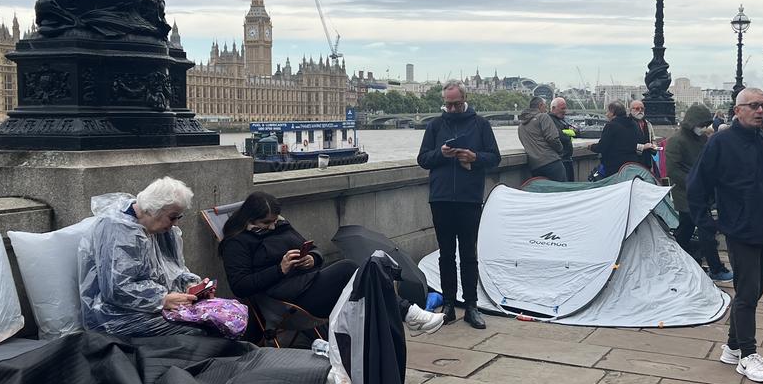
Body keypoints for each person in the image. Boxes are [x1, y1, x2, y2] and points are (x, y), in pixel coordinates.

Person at [688, 88, 763, 383]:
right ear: (737, 110)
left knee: (754, 289)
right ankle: (747, 354)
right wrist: (704, 223)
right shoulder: (721, 142)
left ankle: (732, 347)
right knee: (748, 291)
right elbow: (697, 183)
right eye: (753, 106)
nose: (760, 110)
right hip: (739, 227)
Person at [219, 191, 443, 333]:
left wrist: (311, 258)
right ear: (249, 219)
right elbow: (240, 286)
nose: (271, 227)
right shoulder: (237, 243)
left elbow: (314, 249)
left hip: (308, 283)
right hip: (290, 302)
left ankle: (408, 314)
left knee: (368, 273)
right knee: (350, 269)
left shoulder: (281, 225)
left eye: (274, 221)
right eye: (265, 222)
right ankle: (408, 314)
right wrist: (280, 269)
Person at [79, 177, 234, 339]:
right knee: (198, 330)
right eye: (173, 217)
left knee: (219, 319)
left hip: (149, 308)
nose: (176, 225)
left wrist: (190, 285)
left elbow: (175, 268)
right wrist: (162, 299)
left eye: (178, 218)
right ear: (153, 209)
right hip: (114, 317)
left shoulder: (161, 229)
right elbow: (116, 289)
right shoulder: (118, 231)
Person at [417, 80, 500, 329]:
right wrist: (441, 154)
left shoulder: (481, 124)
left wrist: (474, 158)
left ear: (465, 99)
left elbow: (495, 158)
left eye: (456, 104)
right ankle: (450, 304)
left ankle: (472, 306)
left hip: (468, 197)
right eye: (448, 104)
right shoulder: (435, 125)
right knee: (446, 254)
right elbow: (423, 159)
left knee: (468, 253)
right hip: (441, 198)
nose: (451, 109)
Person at [665, 103, 732, 282]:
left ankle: (676, 260)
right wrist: (696, 184)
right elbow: (673, 171)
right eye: (701, 124)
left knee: (685, 230)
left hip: (700, 192)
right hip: (686, 194)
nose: (703, 128)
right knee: (705, 230)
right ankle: (716, 268)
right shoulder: (676, 140)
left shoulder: (701, 140)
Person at [593, 101, 655, 175]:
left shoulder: (611, 126)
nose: (640, 111)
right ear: (630, 110)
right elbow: (633, 145)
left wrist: (591, 147)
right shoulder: (634, 124)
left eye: (642, 109)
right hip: (634, 164)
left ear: (612, 112)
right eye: (637, 109)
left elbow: (602, 146)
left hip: (615, 166)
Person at [517, 96, 566, 181]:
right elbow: (553, 139)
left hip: (534, 166)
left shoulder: (521, 127)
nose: (546, 109)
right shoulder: (543, 117)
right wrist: (561, 150)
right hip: (551, 162)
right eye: (545, 106)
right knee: (562, 191)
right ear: (540, 105)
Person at [549, 97, 578, 181]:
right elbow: (560, 136)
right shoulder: (549, 120)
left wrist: (567, 133)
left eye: (565, 108)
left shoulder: (563, 120)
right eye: (562, 108)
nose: (564, 111)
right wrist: (569, 134)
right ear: (553, 108)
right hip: (560, 160)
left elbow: (577, 132)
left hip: (567, 158)